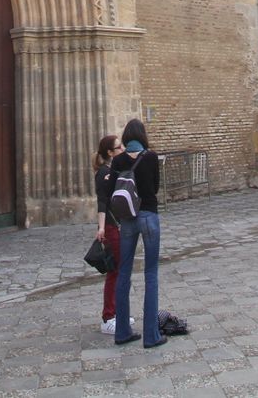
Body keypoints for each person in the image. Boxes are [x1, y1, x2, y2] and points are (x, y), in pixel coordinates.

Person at [109, 118, 165, 348]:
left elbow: (112, 188)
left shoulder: (118, 159)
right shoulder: (150, 157)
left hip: (127, 220)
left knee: (124, 272)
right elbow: (155, 187)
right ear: (142, 135)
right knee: (150, 274)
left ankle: (122, 332)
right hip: (148, 216)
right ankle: (151, 335)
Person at [92, 134, 132, 335]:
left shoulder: (111, 171)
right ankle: (108, 317)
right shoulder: (103, 174)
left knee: (119, 270)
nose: (122, 149)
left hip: (117, 225)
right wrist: (100, 227)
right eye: (119, 148)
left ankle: (118, 313)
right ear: (110, 152)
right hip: (110, 226)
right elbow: (102, 202)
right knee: (114, 272)